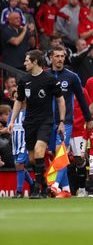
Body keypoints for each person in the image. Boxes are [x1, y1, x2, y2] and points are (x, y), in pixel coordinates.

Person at [8, 50, 65, 199]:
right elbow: (19, 101)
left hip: (46, 121)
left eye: (27, 61)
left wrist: (62, 122)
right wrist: (12, 121)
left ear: (35, 62)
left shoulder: (49, 78)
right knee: (32, 159)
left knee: (40, 151)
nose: (24, 63)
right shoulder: (24, 80)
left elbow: (60, 99)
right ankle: (44, 185)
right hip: (30, 122)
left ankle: (37, 189)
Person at [47, 47, 92, 198]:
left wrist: (88, 119)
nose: (60, 59)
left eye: (62, 56)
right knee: (56, 155)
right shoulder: (45, 75)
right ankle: (66, 189)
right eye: (57, 56)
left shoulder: (72, 77)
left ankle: (54, 186)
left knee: (61, 152)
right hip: (47, 122)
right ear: (51, 58)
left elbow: (81, 99)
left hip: (65, 121)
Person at [10, 104, 34, 198]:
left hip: (24, 143)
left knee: (20, 165)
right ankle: (32, 184)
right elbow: (9, 127)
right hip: (15, 144)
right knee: (19, 167)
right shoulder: (13, 114)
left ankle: (19, 191)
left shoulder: (29, 112)